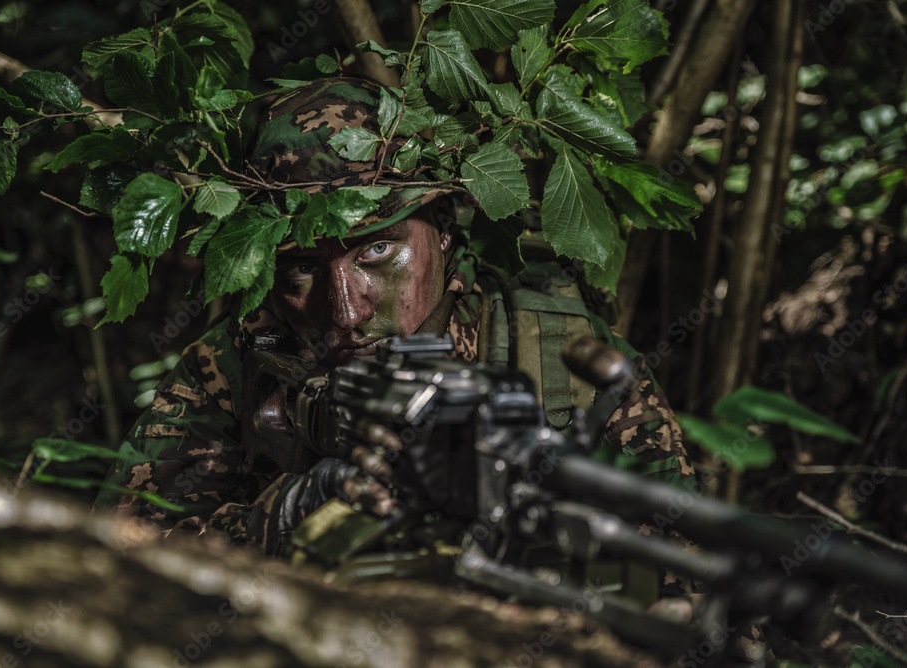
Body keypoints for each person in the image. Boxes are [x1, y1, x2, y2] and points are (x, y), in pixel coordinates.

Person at [94, 76, 694, 589]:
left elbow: (688, 572)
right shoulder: (239, 360)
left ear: (444, 231)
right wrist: (278, 518)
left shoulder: (554, 357)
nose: (346, 311)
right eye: (304, 266)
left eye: (377, 250)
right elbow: (110, 559)